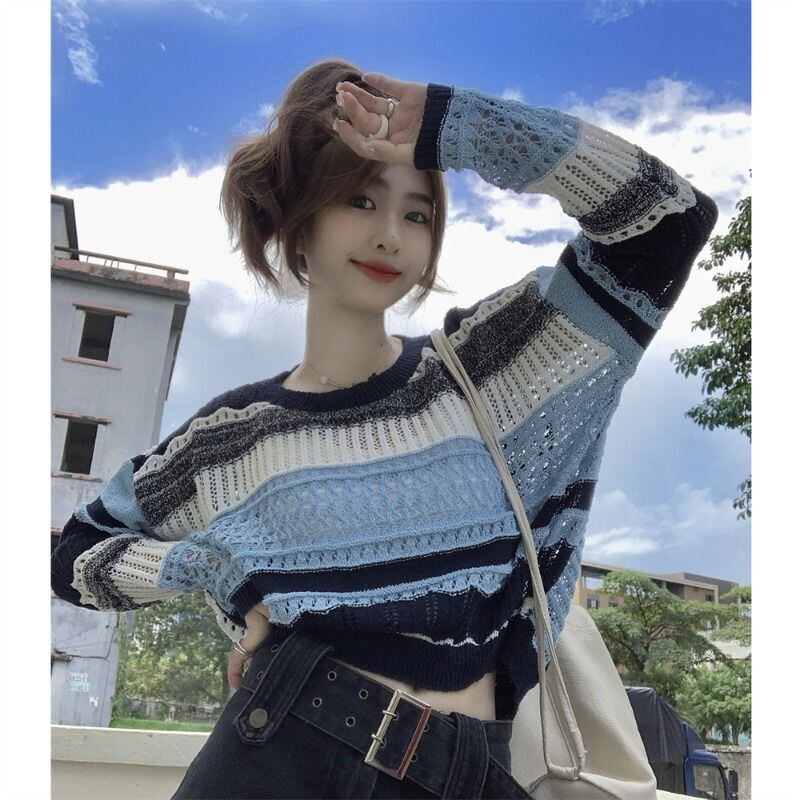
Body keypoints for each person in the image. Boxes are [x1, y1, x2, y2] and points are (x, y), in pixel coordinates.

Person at [51, 58, 718, 799]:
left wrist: (456, 127)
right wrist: (215, 573)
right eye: (360, 199)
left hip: (468, 767)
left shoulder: (493, 368)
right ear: (299, 220)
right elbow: (76, 553)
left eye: (417, 213)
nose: (391, 235)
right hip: (280, 748)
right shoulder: (232, 439)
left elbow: (670, 221)